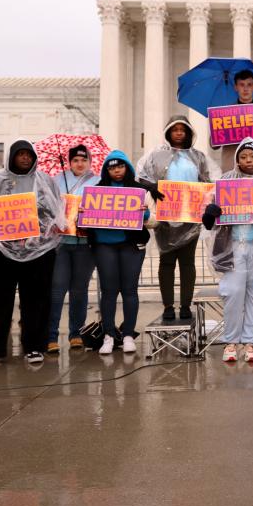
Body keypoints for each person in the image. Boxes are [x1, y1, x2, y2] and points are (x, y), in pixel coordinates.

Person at [0, 140, 64, 368]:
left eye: (28, 154)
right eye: (20, 154)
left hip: (37, 252)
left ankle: (34, 347)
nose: (25, 158)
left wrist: (41, 229)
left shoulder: (44, 181)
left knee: (36, 301)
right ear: (11, 156)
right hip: (1, 253)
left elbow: (55, 212)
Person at [202, 137, 253, 364]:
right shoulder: (225, 181)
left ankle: (251, 341)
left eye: (252, 156)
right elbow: (210, 220)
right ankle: (231, 341)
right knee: (233, 293)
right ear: (237, 159)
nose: (248, 160)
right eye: (243, 157)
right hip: (232, 246)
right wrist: (210, 212)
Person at [138, 115, 212, 321]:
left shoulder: (198, 156)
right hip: (165, 216)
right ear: (168, 132)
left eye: (183, 129)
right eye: (175, 129)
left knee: (188, 263)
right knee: (166, 262)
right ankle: (168, 305)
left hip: (190, 216)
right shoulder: (156, 155)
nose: (179, 133)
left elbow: (206, 182)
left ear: (189, 132)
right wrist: (152, 187)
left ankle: (186, 305)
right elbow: (142, 176)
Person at [87, 150, 153, 355]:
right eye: (112, 167)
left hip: (130, 245)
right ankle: (108, 335)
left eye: (120, 166)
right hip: (104, 245)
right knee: (108, 291)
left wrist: (144, 211)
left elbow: (147, 217)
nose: (117, 170)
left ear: (127, 168)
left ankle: (127, 335)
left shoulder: (138, 189)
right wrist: (83, 212)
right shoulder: (96, 190)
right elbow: (85, 218)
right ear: (107, 170)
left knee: (129, 291)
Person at [46, 145, 97, 353]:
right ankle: (51, 335)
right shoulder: (57, 180)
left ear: (89, 161)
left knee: (79, 291)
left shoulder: (96, 180)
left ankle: (76, 333)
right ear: (69, 162)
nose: (79, 164)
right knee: (57, 290)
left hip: (85, 244)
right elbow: (48, 204)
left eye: (83, 160)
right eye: (75, 160)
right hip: (62, 243)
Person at [211, 69, 253, 174]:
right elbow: (213, 145)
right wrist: (218, 129)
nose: (245, 89)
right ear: (236, 87)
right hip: (230, 168)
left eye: (249, 85)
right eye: (241, 85)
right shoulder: (225, 112)